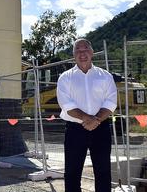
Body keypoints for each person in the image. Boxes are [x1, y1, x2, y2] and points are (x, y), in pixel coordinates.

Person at [57, 38, 117, 192]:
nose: (82, 53)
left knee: (103, 172)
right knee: (72, 173)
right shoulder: (65, 77)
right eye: (78, 50)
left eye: (85, 49)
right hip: (75, 130)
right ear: (73, 55)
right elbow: (66, 104)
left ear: (92, 52)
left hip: (101, 129)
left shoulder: (105, 76)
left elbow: (110, 102)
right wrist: (87, 119)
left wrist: (95, 120)